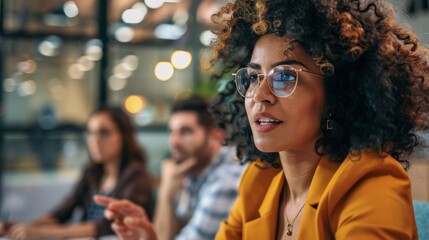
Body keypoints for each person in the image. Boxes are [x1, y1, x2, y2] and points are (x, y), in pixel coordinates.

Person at [100, 0, 428, 239]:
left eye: (285, 76)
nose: (260, 95)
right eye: (253, 77)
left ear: (337, 94)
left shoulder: (372, 184)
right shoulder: (260, 182)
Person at [96, 96, 246, 240]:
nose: (174, 142)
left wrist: (166, 192)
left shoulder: (225, 182)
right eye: (172, 131)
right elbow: (168, 234)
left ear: (216, 135)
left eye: (185, 131)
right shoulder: (194, 170)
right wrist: (167, 192)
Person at [0, 106, 154, 239]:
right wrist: (19, 228)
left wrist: (41, 233)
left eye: (104, 132)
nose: (95, 140)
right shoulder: (93, 172)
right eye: (91, 132)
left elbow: (106, 227)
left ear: (124, 137)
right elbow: (63, 212)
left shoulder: (136, 176)